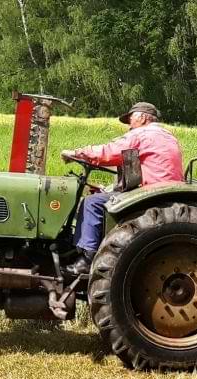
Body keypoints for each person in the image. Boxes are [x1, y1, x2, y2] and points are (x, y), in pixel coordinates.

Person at [60, 102, 185, 277]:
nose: (129, 125)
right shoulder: (167, 135)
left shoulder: (142, 134)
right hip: (164, 189)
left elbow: (109, 152)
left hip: (150, 191)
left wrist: (78, 153)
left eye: (131, 119)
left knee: (92, 203)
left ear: (142, 117)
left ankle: (86, 259)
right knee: (101, 196)